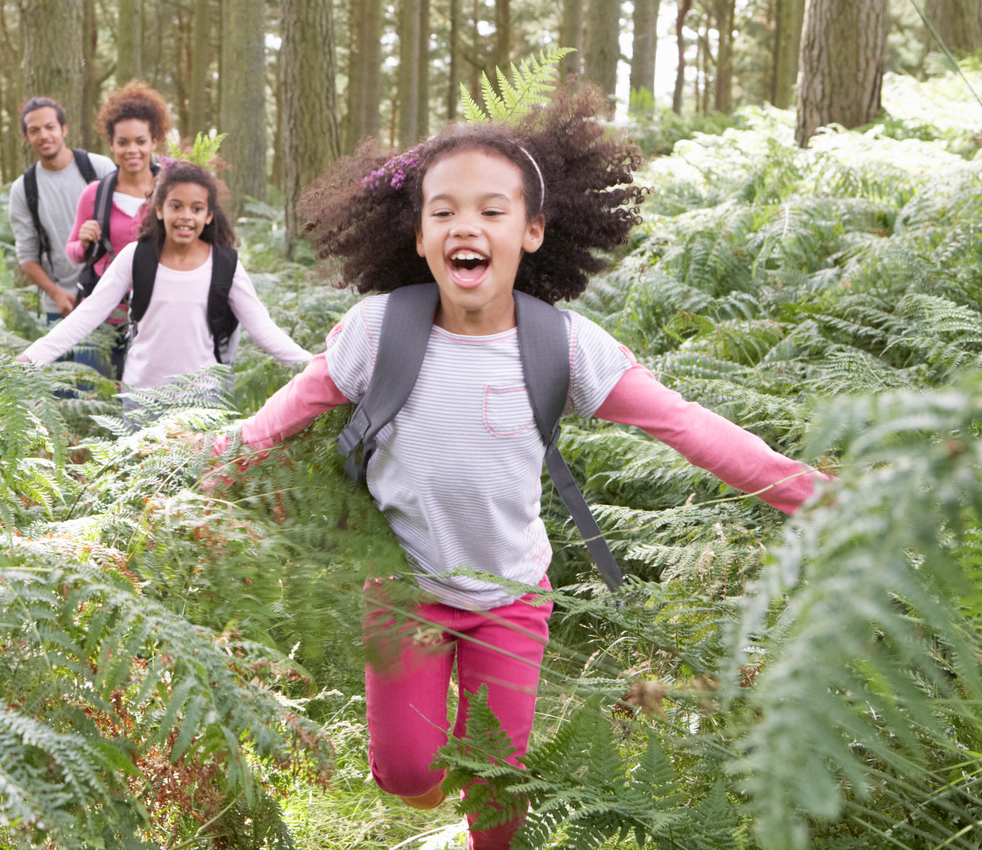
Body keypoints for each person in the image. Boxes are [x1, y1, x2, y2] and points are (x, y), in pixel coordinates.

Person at [213, 93, 832, 850]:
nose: (465, 227)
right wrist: (202, 464)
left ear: (532, 231)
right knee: (406, 774)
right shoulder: (380, 330)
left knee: (501, 788)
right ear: (418, 232)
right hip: (404, 590)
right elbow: (285, 410)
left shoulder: (565, 345)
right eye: (442, 212)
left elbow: (686, 424)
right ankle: (433, 782)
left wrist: (810, 493)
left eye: (491, 210)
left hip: (512, 597)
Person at [18, 161, 311, 392]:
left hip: (204, 403)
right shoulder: (135, 256)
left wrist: (318, 368)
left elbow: (264, 330)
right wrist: (29, 360)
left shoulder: (226, 265)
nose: (186, 216)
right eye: (176, 206)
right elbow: (86, 316)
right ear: (159, 209)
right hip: (140, 399)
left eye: (197, 208)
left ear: (209, 215)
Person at [8, 97, 114, 323]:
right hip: (61, 304)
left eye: (50, 127)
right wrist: (55, 294)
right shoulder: (23, 189)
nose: (44, 135)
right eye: (34, 130)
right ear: (26, 138)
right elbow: (26, 256)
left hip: (109, 298)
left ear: (64, 129)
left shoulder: (100, 168)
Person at [66, 82, 172, 292]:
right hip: (106, 314)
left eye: (140, 141)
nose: (132, 150)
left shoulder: (172, 192)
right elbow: (72, 250)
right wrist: (84, 243)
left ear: (153, 142)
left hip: (158, 310)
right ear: (112, 144)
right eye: (123, 143)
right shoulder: (94, 194)